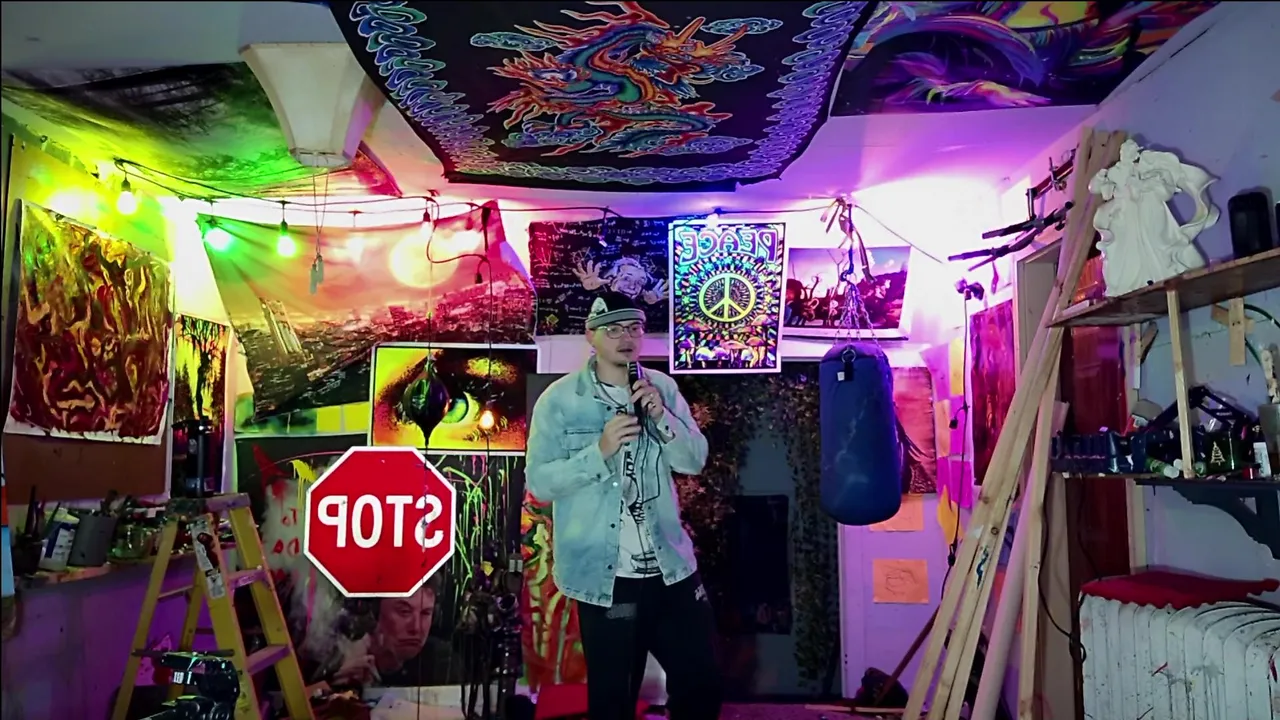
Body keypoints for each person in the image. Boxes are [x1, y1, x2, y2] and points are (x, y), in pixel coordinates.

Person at [526, 291, 721, 720]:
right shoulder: (559, 400)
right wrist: (599, 451)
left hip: (671, 567)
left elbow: (693, 460)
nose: (626, 338)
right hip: (607, 575)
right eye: (612, 330)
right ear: (590, 336)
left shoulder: (662, 388)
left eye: (633, 328)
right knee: (614, 697)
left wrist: (662, 418)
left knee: (702, 682)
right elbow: (540, 483)